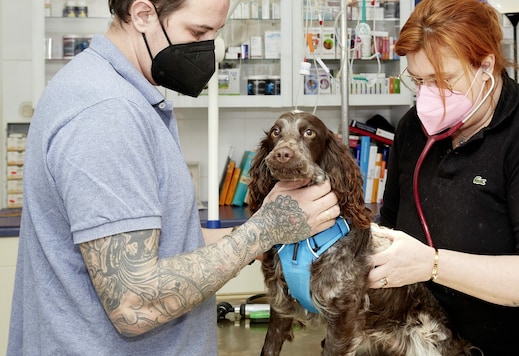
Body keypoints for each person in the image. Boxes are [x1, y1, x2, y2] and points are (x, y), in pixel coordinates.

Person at [7, 0, 340, 354]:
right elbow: (134, 304)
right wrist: (264, 231)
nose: (210, 49)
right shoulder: (106, 114)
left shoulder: (106, 87)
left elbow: (150, 248)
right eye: (198, 32)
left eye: (216, 33)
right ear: (143, 15)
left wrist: (240, 237)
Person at [367, 0, 519, 355]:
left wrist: (432, 264)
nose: (427, 95)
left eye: (443, 80)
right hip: (450, 342)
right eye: (419, 81)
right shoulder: (414, 129)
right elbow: (391, 228)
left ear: (486, 65)